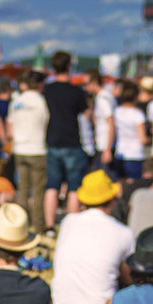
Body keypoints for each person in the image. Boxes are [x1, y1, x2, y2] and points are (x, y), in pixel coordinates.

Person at [51, 171, 135, 304]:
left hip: (61, 302)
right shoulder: (124, 232)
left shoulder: (68, 221)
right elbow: (129, 278)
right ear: (112, 200)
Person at [43, 51, 92, 231]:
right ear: (69, 66)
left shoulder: (47, 90)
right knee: (73, 186)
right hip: (72, 140)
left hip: (53, 139)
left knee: (52, 185)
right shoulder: (76, 92)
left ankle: (49, 225)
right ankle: (70, 226)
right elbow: (86, 115)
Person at [9, 70, 50, 233]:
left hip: (19, 148)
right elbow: (45, 123)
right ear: (40, 84)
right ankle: (38, 227)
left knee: (23, 191)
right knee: (38, 191)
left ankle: (21, 226)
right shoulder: (40, 101)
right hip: (37, 148)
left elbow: (10, 125)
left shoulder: (17, 101)